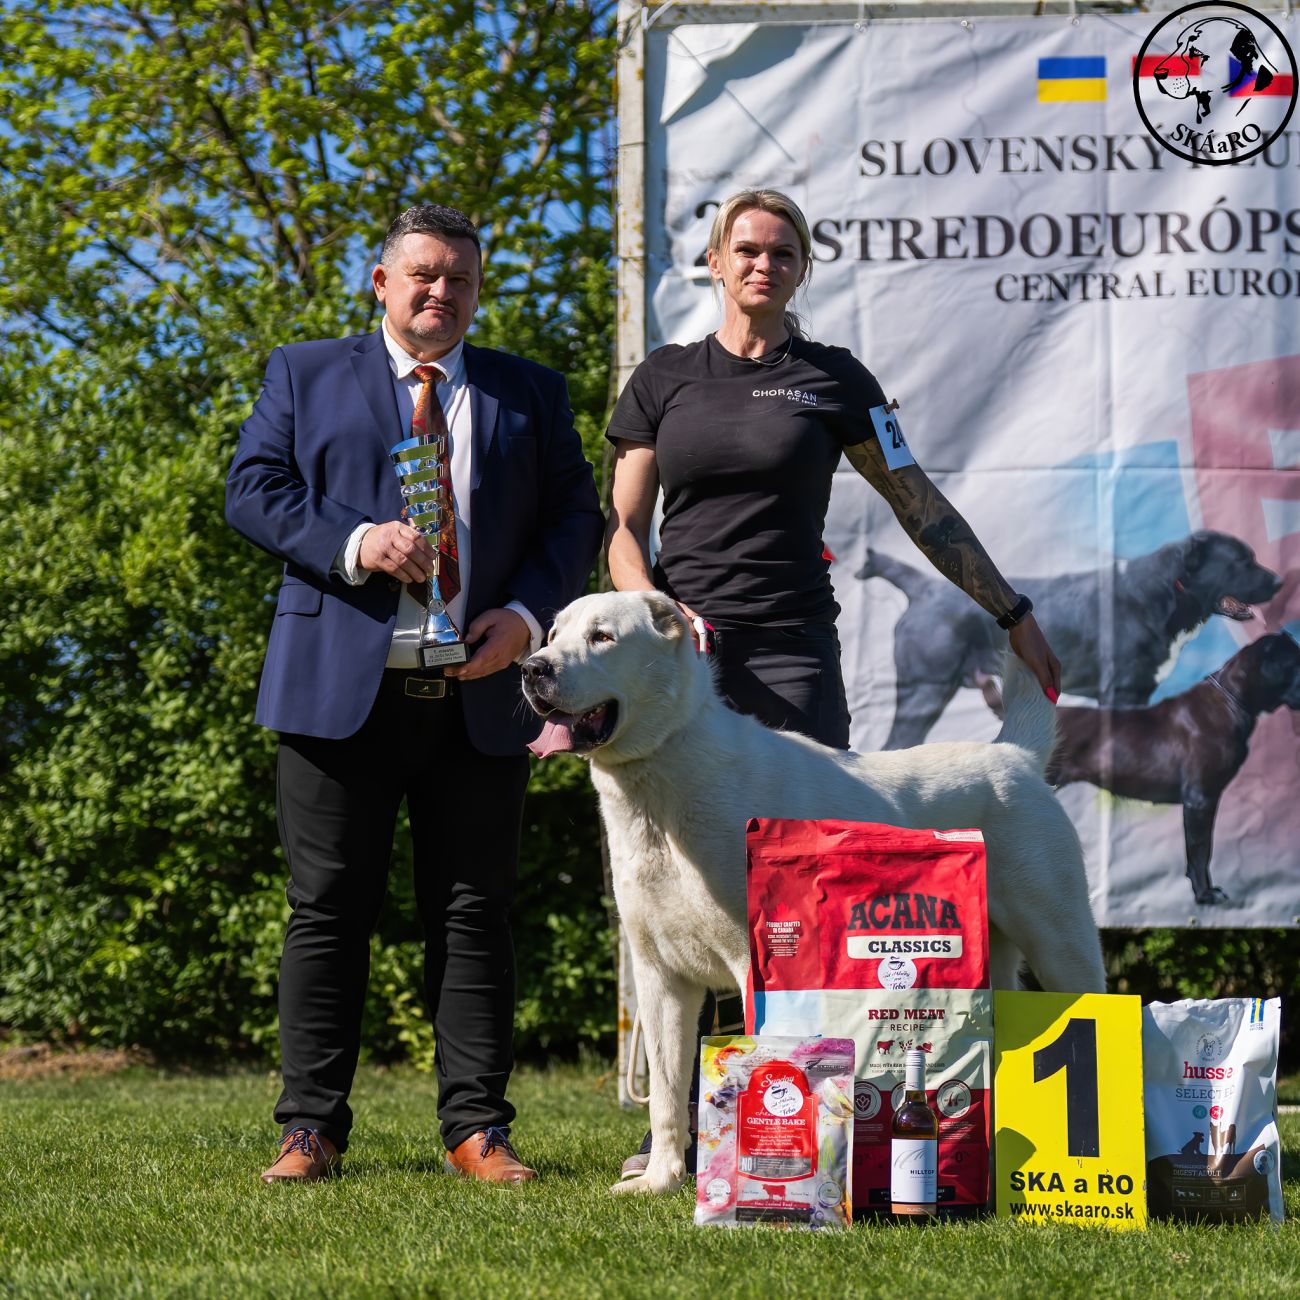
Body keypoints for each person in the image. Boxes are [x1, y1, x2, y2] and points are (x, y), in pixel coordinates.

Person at [604, 188, 1061, 1176]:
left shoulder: (833, 379)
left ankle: (801, 1128)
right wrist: (655, 611)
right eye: (746, 249)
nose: (762, 265)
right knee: (675, 889)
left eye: (782, 252)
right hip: (681, 661)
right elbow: (623, 530)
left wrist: (1011, 612)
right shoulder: (664, 378)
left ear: (801, 268)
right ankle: (677, 1134)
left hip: (791, 655)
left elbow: (917, 502)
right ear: (715, 262)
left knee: (797, 895)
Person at [226, 203, 603, 1186]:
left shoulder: (530, 392)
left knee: (475, 914)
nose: (442, 292)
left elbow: (576, 516)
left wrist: (525, 617)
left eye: (460, 279)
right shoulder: (305, 373)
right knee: (326, 911)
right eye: (424, 274)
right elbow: (252, 489)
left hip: (478, 692)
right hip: (335, 693)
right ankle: (309, 1131)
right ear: (382, 282)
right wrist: (356, 542)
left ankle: (477, 1130)